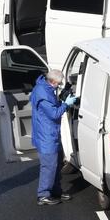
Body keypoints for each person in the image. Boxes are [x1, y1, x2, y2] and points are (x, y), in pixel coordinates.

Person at [30, 69, 77, 205]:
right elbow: (55, 113)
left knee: (56, 164)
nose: (59, 85)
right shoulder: (43, 94)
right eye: (59, 83)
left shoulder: (44, 88)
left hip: (51, 133)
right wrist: (66, 104)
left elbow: (54, 104)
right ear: (52, 82)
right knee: (49, 166)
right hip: (46, 136)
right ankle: (43, 195)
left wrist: (62, 96)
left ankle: (55, 190)